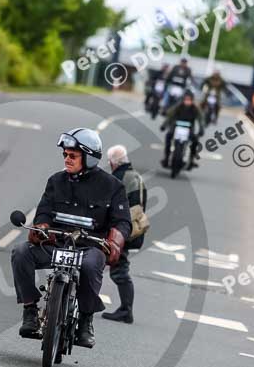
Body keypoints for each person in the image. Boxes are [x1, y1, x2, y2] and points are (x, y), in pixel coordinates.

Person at [11, 128, 132, 348]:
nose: (67, 159)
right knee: (20, 252)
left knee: (91, 265)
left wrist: (115, 241)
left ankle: (86, 321)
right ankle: (30, 311)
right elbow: (44, 212)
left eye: (72, 155)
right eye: (65, 154)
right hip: (55, 243)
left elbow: (123, 221)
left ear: (89, 157)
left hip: (89, 248)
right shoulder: (56, 181)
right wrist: (41, 227)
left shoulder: (113, 187)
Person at [102, 145, 146, 324]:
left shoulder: (121, 178)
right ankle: (125, 309)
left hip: (123, 230)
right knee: (118, 267)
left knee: (119, 269)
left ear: (113, 162)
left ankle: (126, 310)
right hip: (132, 229)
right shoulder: (135, 176)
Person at [160, 90, 205, 169]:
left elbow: (200, 119)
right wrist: (164, 125)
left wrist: (201, 129)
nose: (187, 102)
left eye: (189, 100)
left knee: (195, 141)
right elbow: (170, 115)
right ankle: (166, 158)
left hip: (189, 129)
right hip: (176, 128)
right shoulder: (178, 107)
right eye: (186, 100)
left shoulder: (196, 108)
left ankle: (191, 161)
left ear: (192, 100)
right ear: (183, 99)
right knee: (168, 137)